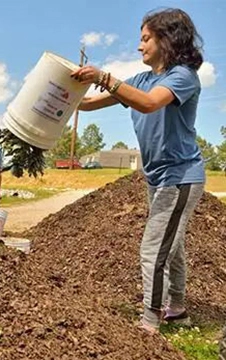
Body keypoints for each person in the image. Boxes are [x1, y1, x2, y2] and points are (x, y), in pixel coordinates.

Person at [71, 8, 205, 334]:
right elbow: (88, 104)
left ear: (167, 39)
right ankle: (177, 309)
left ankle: (149, 322)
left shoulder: (182, 77)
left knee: (153, 249)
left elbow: (147, 103)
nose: (139, 46)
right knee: (170, 247)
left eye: (145, 39)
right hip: (157, 176)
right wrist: (59, 89)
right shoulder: (141, 79)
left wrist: (105, 77)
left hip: (181, 175)